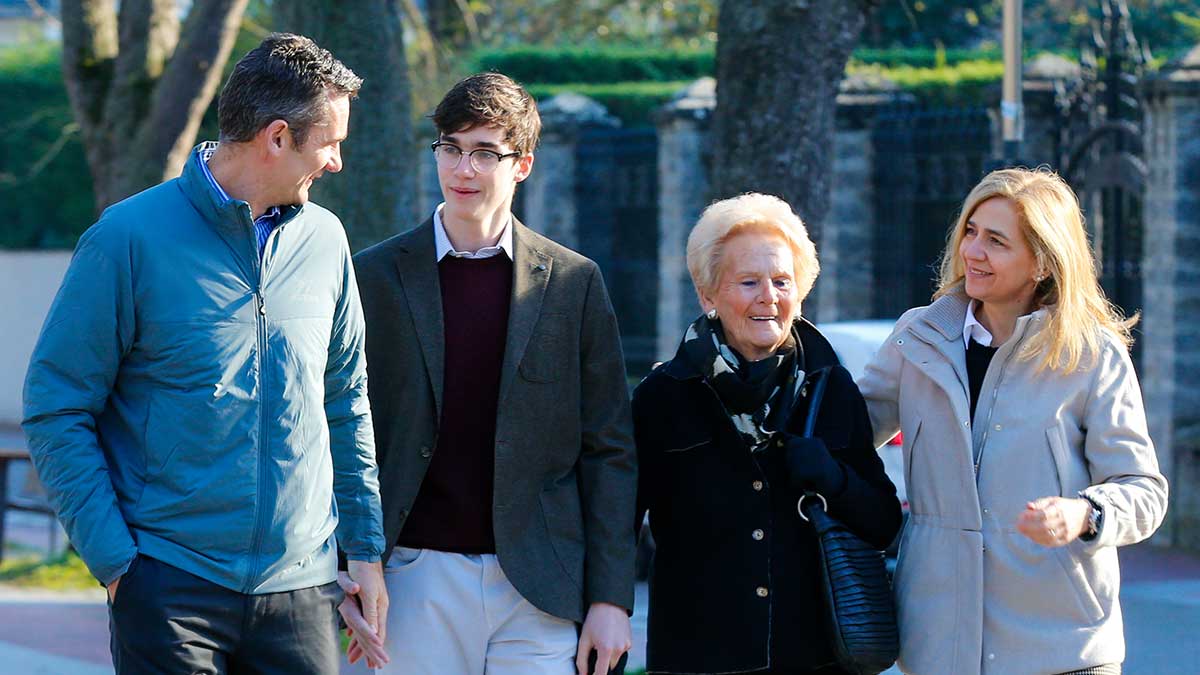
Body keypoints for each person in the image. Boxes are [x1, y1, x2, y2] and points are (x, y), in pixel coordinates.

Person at [21, 33, 387, 674]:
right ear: (277, 137)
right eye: (329, 143)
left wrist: (364, 549)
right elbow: (57, 407)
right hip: (169, 588)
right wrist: (116, 562)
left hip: (301, 590)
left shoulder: (327, 241)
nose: (336, 162)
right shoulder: (127, 239)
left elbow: (346, 398)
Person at [346, 72, 637, 675]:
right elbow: (339, 428)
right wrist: (349, 563)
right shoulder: (372, 277)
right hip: (410, 576)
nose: (463, 169)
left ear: (523, 164)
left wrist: (610, 598)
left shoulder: (574, 283)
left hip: (540, 588)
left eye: (485, 153)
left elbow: (608, 448)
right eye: (450, 148)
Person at [858, 167, 1169, 675]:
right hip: (939, 646)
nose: (972, 252)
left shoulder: (1092, 356)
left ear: (1043, 262)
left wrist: (1085, 514)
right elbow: (844, 433)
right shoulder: (917, 337)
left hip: (1063, 650)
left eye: (996, 242)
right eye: (971, 232)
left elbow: (1145, 491)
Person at [632, 193, 903, 675]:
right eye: (749, 282)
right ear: (708, 293)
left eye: (782, 281)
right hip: (698, 659)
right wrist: (607, 611)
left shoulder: (830, 387)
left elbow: (884, 521)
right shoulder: (663, 395)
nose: (769, 297)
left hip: (815, 657)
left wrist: (833, 478)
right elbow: (618, 524)